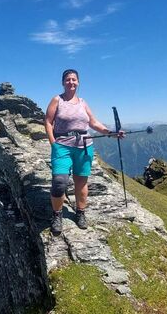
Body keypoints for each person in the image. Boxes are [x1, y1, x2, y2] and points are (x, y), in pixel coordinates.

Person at [45, 69, 124, 234]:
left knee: (81, 181)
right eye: (68, 79)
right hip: (62, 146)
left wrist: (110, 133)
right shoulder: (57, 100)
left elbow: (94, 123)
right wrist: (54, 143)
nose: (71, 82)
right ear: (63, 82)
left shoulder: (82, 102)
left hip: (84, 146)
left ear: (78, 82)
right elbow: (48, 121)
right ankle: (57, 215)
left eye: (74, 79)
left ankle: (80, 213)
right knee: (59, 182)